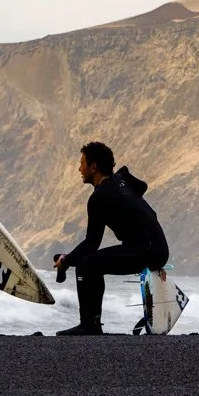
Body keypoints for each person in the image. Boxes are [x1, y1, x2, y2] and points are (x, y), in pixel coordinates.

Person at [49, 141, 168, 336]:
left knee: (86, 264)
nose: (80, 169)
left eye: (82, 164)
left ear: (93, 167)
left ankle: (89, 325)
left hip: (145, 250)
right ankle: (92, 323)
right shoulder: (121, 179)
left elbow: (91, 243)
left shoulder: (99, 198)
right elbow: (143, 186)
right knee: (90, 262)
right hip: (158, 247)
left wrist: (67, 261)